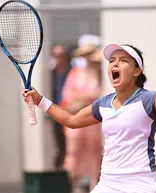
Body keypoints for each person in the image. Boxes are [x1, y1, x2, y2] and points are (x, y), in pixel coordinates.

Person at [23, 44, 156, 192]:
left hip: (141, 183)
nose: (115, 64)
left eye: (123, 61)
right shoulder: (104, 103)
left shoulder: (148, 99)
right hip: (108, 183)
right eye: (112, 61)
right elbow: (72, 121)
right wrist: (40, 101)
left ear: (137, 71)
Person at [60, 44, 103, 191]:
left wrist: (85, 97)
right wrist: (84, 98)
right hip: (77, 122)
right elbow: (68, 99)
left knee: (95, 156)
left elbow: (103, 94)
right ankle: (71, 187)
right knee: (73, 155)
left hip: (94, 123)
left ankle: (93, 187)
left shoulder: (100, 74)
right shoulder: (75, 74)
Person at [51, 45, 71, 169]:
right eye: (56, 56)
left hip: (70, 113)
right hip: (55, 114)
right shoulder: (50, 74)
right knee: (59, 145)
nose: (59, 59)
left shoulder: (72, 72)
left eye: (61, 56)